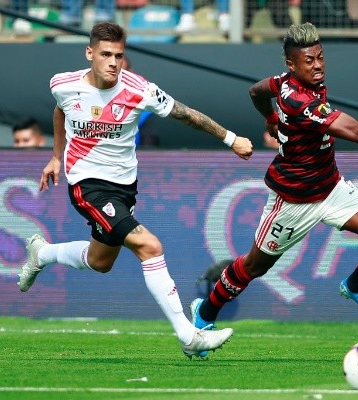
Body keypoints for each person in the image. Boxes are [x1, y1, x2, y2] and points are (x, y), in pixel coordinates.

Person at [190, 22, 358, 355]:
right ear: (292, 64)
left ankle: (355, 285)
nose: (317, 66)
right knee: (255, 266)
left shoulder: (283, 82)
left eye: (320, 57)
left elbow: (257, 91)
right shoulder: (302, 100)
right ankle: (203, 314)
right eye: (309, 60)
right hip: (293, 200)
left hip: (330, 186)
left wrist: (270, 119)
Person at [17, 22, 253, 358]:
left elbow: (185, 115)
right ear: (90, 54)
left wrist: (230, 139)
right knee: (150, 246)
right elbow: (60, 110)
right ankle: (189, 336)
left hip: (123, 188)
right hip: (87, 185)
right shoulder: (63, 84)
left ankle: (42, 254)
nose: (113, 62)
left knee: (100, 261)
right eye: (105, 55)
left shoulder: (139, 89)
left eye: (119, 55)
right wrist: (57, 157)